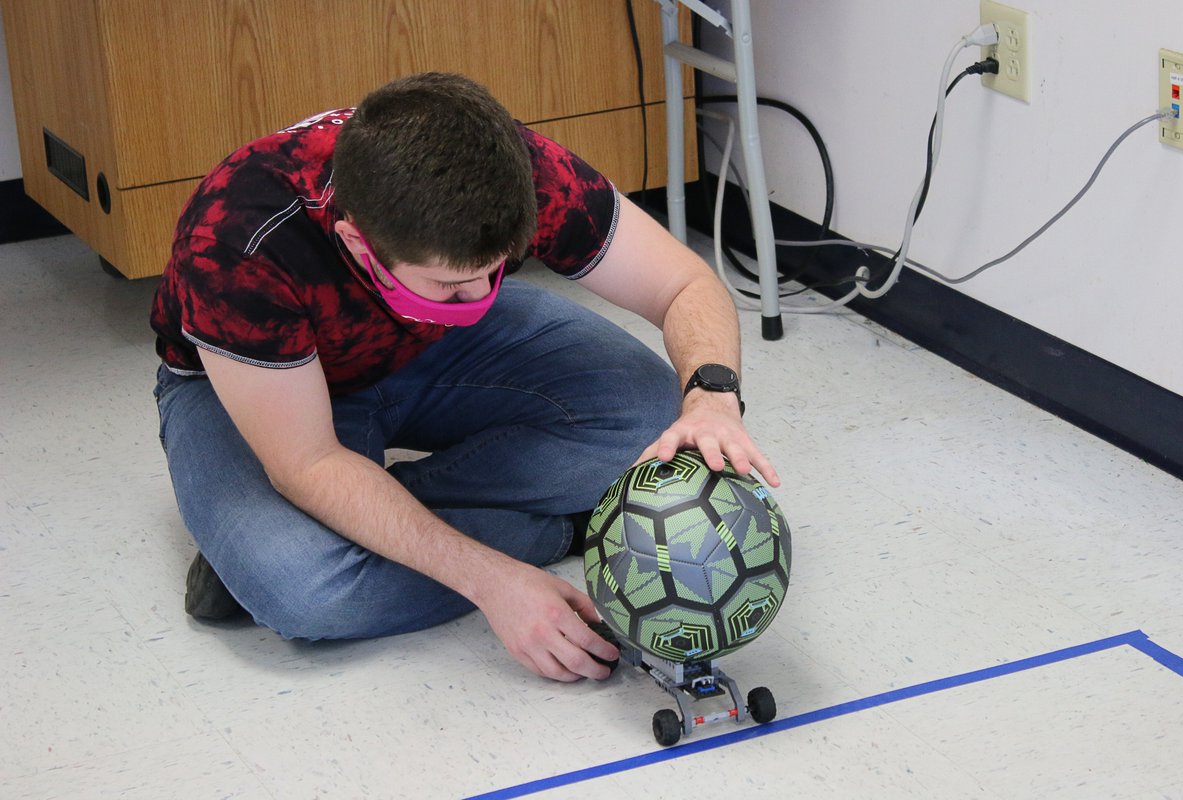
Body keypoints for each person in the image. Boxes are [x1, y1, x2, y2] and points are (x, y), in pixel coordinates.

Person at [150, 72, 778, 683]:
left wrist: (712, 396)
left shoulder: (512, 169)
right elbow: (309, 463)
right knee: (306, 589)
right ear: (359, 244)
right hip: (262, 386)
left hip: (431, 345)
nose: (479, 293)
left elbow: (683, 284)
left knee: (653, 410)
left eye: (495, 270)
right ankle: (558, 527)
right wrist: (493, 580)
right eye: (452, 282)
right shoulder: (238, 237)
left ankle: (357, 522)